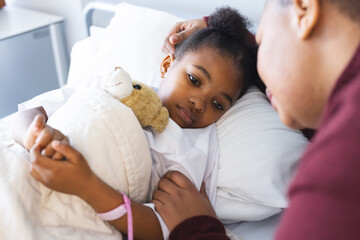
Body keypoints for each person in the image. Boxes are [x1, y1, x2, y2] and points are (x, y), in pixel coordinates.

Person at [12, 7, 260, 240]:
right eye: (194, 80)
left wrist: (85, 184)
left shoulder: (193, 152)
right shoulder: (118, 84)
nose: (199, 103)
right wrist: (33, 135)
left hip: (78, 208)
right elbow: (30, 113)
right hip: (25, 167)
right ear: (167, 65)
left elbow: (160, 226)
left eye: (218, 105)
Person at [154, 0, 360, 239]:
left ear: (304, 9)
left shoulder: (341, 165)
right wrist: (222, 32)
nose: (260, 74)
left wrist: (199, 228)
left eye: (261, 42)